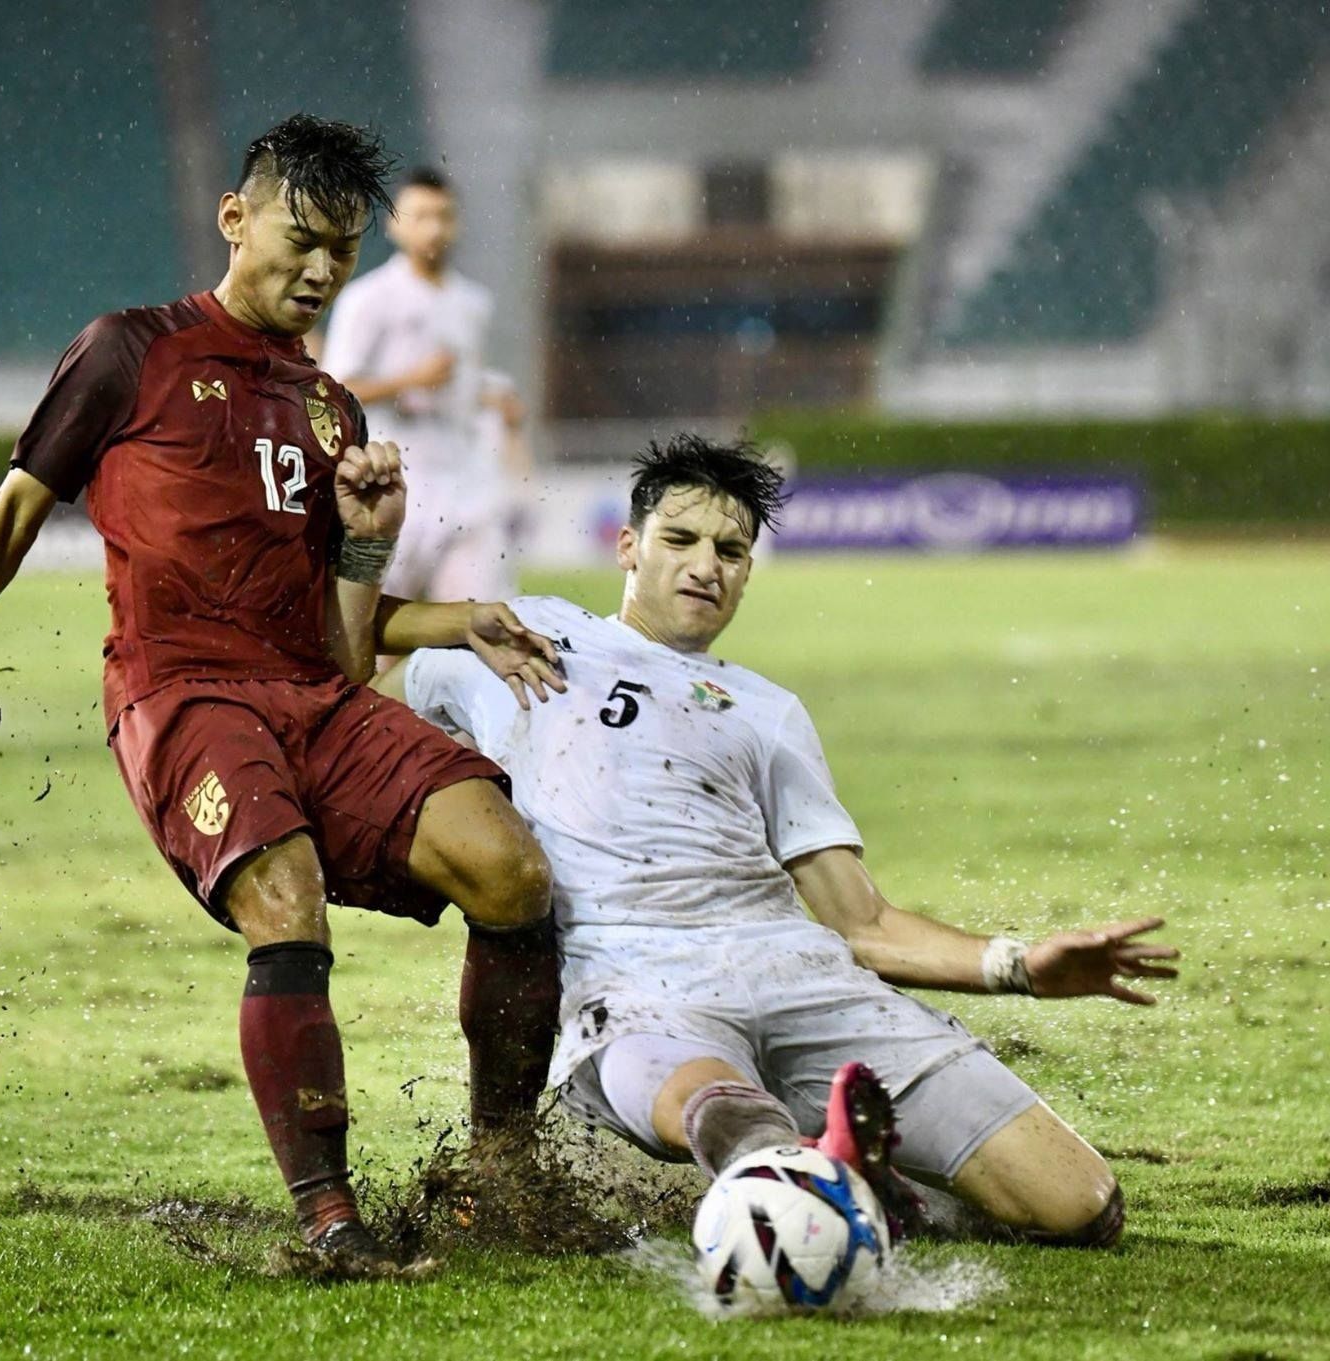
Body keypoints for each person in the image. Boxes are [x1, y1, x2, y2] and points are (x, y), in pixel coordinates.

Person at [0, 115, 571, 1267]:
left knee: (511, 870)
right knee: (284, 894)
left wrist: (376, 550)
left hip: (313, 693)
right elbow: (14, 503)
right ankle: (330, 1220)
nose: (318, 271)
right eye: (300, 240)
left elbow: (345, 650)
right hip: (183, 691)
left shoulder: (330, 409)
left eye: (341, 252)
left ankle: (501, 1176)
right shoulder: (130, 350)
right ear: (234, 218)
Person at [377, 435, 1181, 1248]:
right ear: (627, 546)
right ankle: (804, 1165)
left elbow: (861, 922)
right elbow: (348, 694)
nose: (706, 566)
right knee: (742, 1126)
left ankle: (877, 1193)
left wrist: (1021, 966)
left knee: (1082, 1205)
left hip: (798, 972)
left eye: (731, 550)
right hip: (639, 985)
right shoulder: (523, 635)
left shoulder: (766, 710)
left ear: (749, 571)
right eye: (680, 540)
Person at [319, 167, 521, 602]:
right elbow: (336, 388)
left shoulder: (472, 302)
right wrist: (411, 380)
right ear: (394, 223)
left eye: (444, 216)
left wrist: (492, 399)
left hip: (465, 478)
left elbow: (464, 382)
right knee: (386, 628)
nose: (434, 227)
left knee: (473, 619)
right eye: (420, 215)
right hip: (396, 474)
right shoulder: (368, 299)